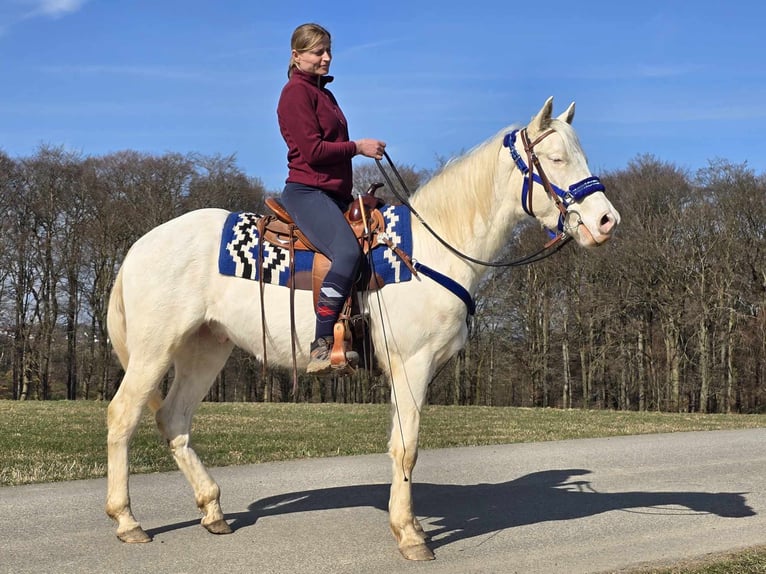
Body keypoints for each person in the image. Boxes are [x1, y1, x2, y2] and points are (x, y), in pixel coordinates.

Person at [277, 22, 386, 374]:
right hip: (307, 192)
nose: (326, 58)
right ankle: (322, 343)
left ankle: (361, 335)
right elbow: (312, 150)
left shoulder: (324, 93)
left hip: (334, 194)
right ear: (296, 56)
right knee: (346, 251)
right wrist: (358, 148)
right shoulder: (296, 93)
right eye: (318, 52)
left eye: (328, 51)